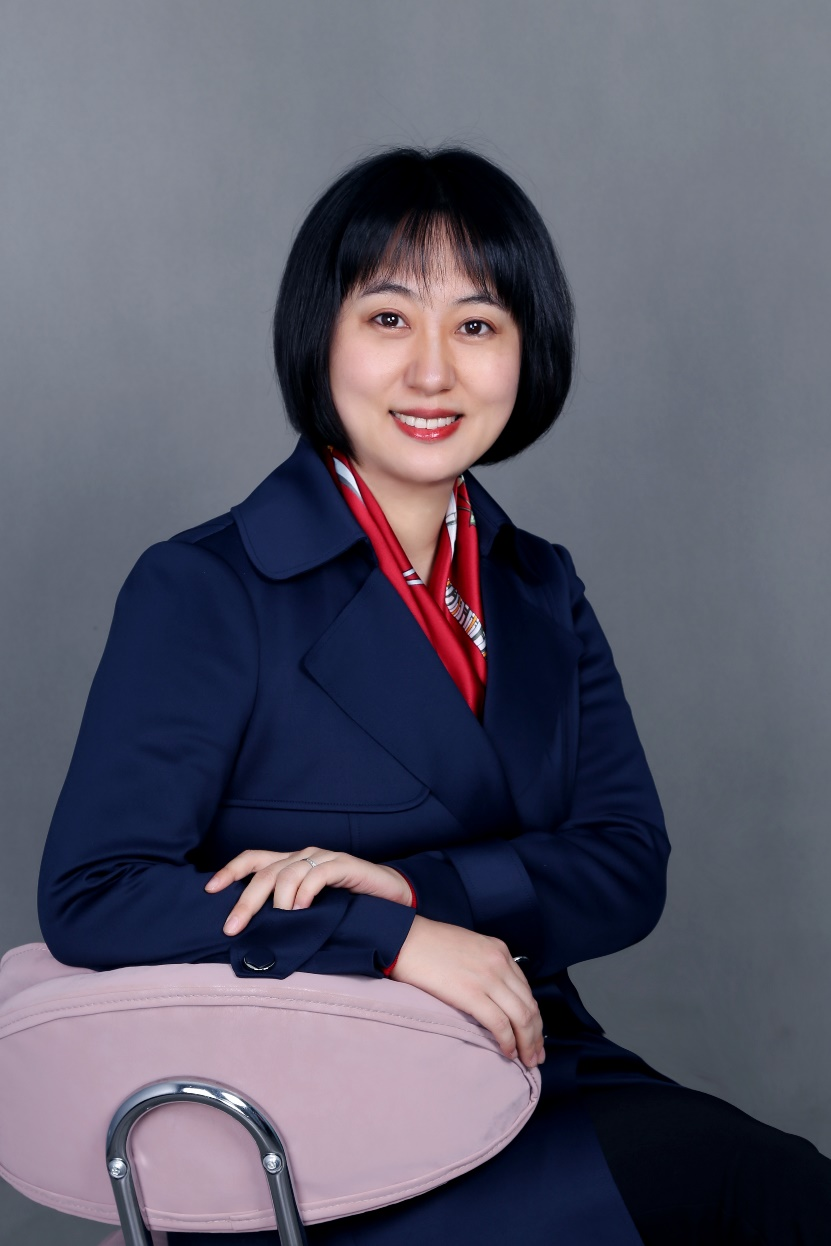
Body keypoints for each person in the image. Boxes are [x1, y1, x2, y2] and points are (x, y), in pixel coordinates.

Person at [37, 145, 831, 1245]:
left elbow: (625, 862)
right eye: (388, 319)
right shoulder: (207, 585)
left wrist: (421, 890)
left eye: (477, 325)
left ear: (525, 353)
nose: (431, 372)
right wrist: (389, 936)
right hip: (308, 1115)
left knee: (783, 1190)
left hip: (526, 1064)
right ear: (320, 335)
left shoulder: (538, 584)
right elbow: (95, 894)